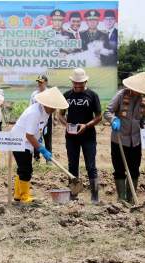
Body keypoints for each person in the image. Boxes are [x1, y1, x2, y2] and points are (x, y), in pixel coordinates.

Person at [104, 72, 145, 204]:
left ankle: (131, 198)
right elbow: (107, 112)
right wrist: (114, 119)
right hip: (119, 139)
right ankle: (121, 199)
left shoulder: (144, 100)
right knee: (119, 169)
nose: (138, 92)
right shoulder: (121, 96)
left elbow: (143, 119)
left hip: (135, 141)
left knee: (134, 169)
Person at [12, 87, 69, 203]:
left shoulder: (46, 112)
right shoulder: (35, 113)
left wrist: (39, 141)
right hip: (20, 142)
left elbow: (36, 130)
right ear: (46, 103)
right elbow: (29, 135)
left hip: (26, 142)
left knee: (23, 169)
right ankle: (24, 197)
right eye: (52, 106)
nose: (54, 109)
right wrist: (42, 149)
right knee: (26, 170)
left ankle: (18, 195)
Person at [59, 68, 102, 203]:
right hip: (71, 137)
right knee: (72, 165)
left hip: (88, 136)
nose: (78, 86)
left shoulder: (92, 95)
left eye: (81, 83)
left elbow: (99, 117)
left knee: (91, 165)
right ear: (72, 82)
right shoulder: (66, 95)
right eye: (75, 83)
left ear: (86, 81)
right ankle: (74, 194)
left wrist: (86, 125)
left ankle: (94, 196)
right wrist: (66, 124)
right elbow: (60, 114)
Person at [30, 75, 53, 163]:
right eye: (38, 82)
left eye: (41, 82)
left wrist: (53, 119)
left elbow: (53, 107)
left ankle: (49, 160)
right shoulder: (34, 94)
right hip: (36, 119)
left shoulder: (50, 93)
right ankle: (36, 158)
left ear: (46, 82)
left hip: (47, 119)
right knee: (36, 138)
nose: (39, 83)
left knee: (47, 139)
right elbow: (31, 106)